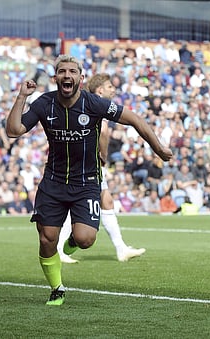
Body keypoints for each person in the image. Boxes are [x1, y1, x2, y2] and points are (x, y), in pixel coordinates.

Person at [5, 55, 172, 306]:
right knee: (46, 238)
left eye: (73, 71)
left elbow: (135, 119)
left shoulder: (94, 103)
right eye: (62, 71)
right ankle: (57, 288)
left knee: (85, 240)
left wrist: (158, 148)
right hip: (53, 181)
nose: (67, 75)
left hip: (86, 183)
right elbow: (13, 130)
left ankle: (73, 240)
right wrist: (21, 97)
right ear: (56, 78)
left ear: (80, 79)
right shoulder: (44, 103)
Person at [57, 73, 147, 264]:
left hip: (82, 162)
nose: (113, 90)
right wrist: (103, 158)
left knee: (106, 202)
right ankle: (59, 249)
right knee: (80, 204)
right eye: (109, 87)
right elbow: (104, 131)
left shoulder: (85, 103)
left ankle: (121, 248)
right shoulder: (97, 105)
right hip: (89, 164)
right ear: (100, 90)